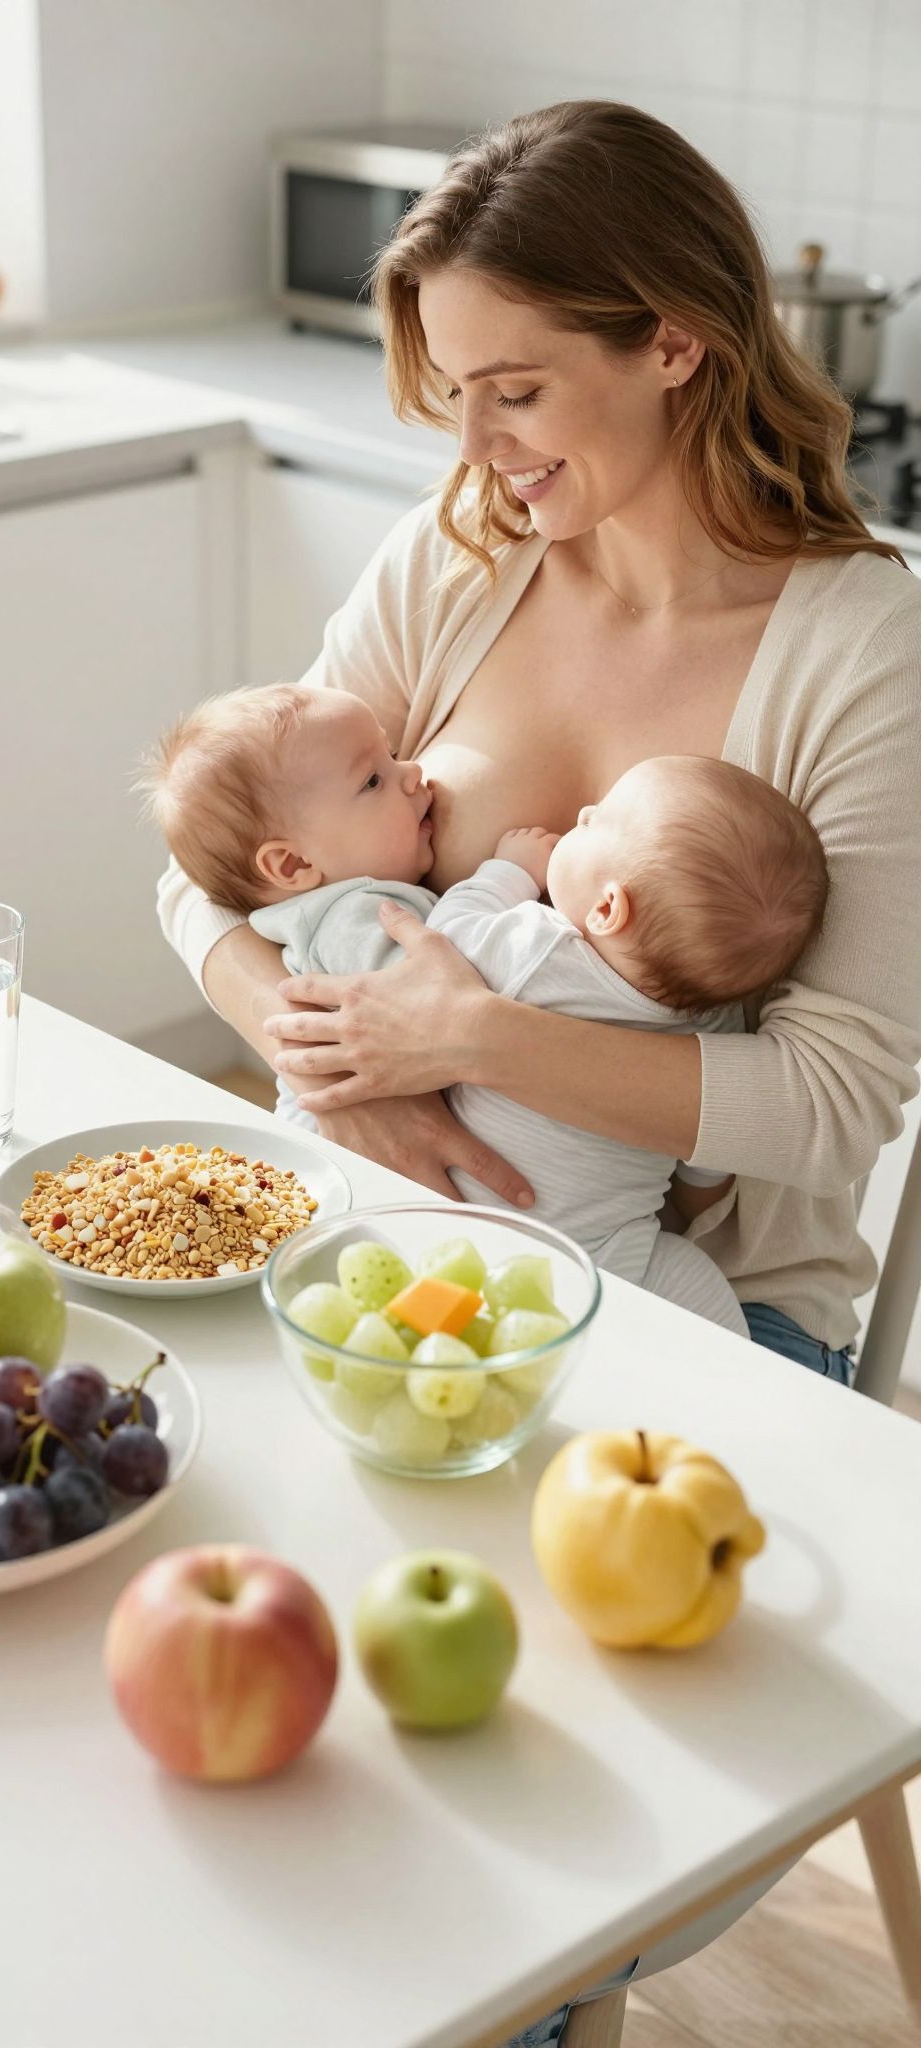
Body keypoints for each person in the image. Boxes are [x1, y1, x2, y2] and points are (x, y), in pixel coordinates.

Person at [156, 99, 921, 2040]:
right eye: (450, 394)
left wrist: (476, 1037)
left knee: (497, 1842)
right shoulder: (464, 558)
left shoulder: (863, 649)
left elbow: (835, 1107)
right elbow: (209, 880)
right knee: (220, 1747)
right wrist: (348, 1069)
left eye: (513, 391)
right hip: (367, 1247)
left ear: (676, 337)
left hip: (696, 1317)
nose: (474, 451)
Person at [147, 682, 829, 1336]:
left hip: (436, 1228)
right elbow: (707, 1149)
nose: (415, 773)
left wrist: (507, 874)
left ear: (608, 908)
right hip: (595, 1243)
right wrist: (697, 1192)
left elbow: (451, 960)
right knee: (701, 1312)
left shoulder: (529, 944)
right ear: (291, 866)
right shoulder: (355, 919)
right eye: (376, 779)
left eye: (594, 823)